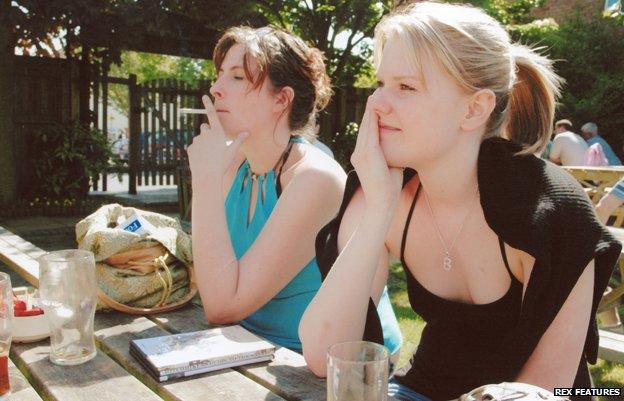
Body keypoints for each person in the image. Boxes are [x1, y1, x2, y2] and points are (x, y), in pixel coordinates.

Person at [299, 2, 620, 401]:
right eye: (381, 84)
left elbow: (542, 390)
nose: (376, 104)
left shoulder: (551, 212)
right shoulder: (381, 191)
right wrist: (379, 209)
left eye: (406, 87)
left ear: (474, 108)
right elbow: (323, 354)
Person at [187, 26, 402, 354]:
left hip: (324, 368)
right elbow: (208, 279)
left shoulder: (314, 179)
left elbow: (221, 305)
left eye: (237, 77)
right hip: (249, 348)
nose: (216, 89)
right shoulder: (232, 163)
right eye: (218, 76)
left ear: (281, 99)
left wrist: (203, 182)